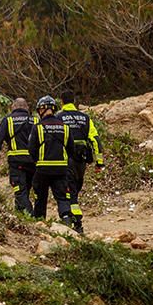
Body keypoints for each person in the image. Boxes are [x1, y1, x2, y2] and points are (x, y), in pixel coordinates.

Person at [26, 95, 79, 232]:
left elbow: (31, 149)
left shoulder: (38, 128)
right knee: (62, 197)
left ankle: (40, 224)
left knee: (40, 197)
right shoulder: (65, 127)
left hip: (43, 169)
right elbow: (71, 149)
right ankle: (67, 221)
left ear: (41, 110)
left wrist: (38, 161)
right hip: (61, 169)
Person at [56, 91, 104, 231]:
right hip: (81, 161)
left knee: (70, 191)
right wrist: (99, 162)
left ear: (62, 102)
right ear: (74, 101)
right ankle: (74, 220)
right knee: (75, 189)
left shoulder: (59, 117)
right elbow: (95, 140)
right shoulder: (85, 118)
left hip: (66, 159)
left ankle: (76, 222)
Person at [0, 97, 37, 213]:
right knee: (26, 189)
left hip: (17, 162)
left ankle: (30, 216)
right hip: (33, 162)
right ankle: (20, 215)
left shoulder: (8, 120)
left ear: (13, 107)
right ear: (27, 107)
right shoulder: (35, 120)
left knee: (20, 190)